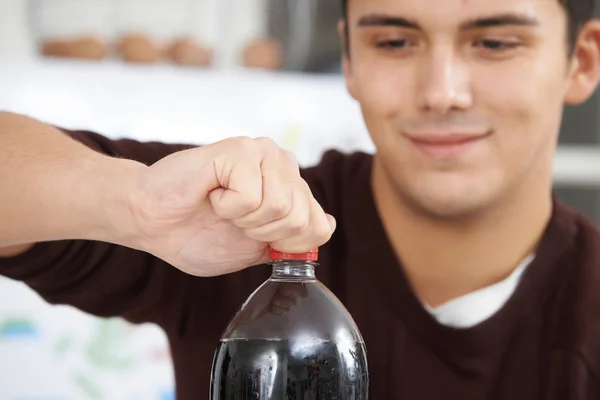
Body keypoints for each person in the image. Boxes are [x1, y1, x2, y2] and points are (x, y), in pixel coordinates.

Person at [1, 0, 600, 398]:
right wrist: (135, 206)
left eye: (495, 43)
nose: (441, 91)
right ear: (349, 59)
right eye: (393, 41)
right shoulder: (241, 220)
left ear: (581, 60)